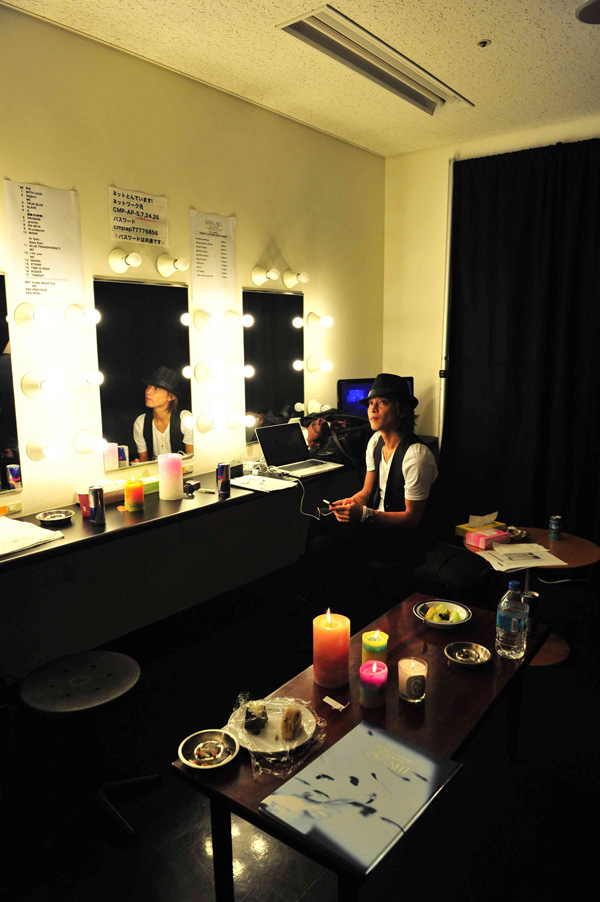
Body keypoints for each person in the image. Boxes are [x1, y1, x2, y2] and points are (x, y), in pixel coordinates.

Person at [328, 373, 438, 566]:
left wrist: (364, 514)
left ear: (401, 410)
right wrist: (350, 503)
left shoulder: (417, 456)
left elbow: (412, 519)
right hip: (375, 526)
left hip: (404, 539)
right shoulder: (375, 441)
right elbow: (366, 492)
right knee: (322, 530)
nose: (373, 409)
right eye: (371, 403)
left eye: (383, 402)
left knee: (331, 547)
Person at [133, 365, 193, 461]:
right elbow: (144, 463)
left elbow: (191, 462)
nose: (148, 391)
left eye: (157, 388)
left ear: (171, 397)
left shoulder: (185, 420)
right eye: (148, 386)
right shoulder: (141, 423)